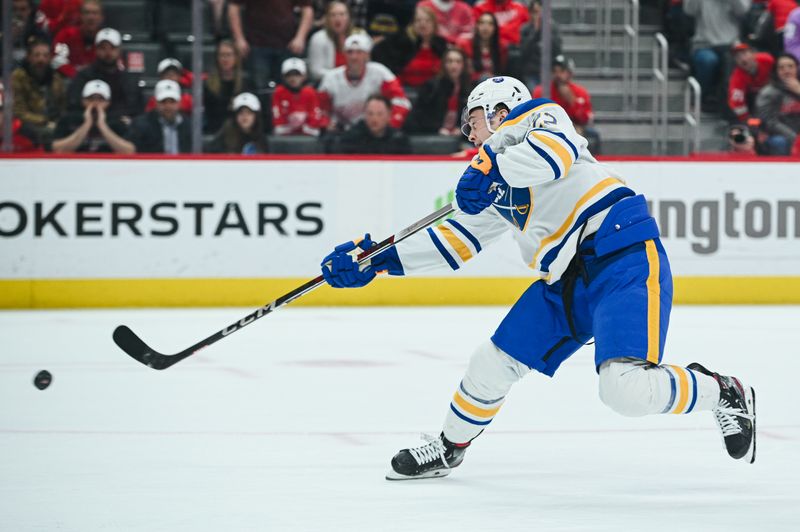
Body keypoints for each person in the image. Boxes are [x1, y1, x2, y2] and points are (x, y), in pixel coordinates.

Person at [317, 76, 757, 481]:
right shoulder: (496, 185)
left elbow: (551, 156)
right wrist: (376, 261)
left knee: (623, 391)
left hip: (622, 255)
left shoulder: (546, 120)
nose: (469, 136)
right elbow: (453, 242)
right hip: (565, 279)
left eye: (473, 122)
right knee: (491, 362)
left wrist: (489, 165)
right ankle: (450, 448)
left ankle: (723, 391)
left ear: (499, 110)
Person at [317, 33, 411, 131]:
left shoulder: (380, 73)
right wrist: (325, 122)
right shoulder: (331, 78)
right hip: (341, 132)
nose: (354, 57)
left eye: (359, 52)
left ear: (367, 55)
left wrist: (391, 123)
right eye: (350, 52)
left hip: (373, 132)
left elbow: (402, 102)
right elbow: (319, 108)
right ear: (344, 54)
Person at [682, 0, 751, 111]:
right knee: (708, 60)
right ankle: (701, 97)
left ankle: (729, 107)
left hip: (731, 43)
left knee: (736, 62)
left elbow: (742, 10)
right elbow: (689, 10)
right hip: (704, 43)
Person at [228, 0, 314, 87]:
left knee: (288, 88)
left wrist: (300, 37)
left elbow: (307, 9)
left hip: (287, 44)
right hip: (257, 44)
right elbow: (234, 7)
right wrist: (239, 38)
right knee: (259, 87)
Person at [66, 27, 144, 122]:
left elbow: (135, 108)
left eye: (112, 48)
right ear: (96, 50)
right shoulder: (83, 76)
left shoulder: (129, 80)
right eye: (103, 48)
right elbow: (74, 104)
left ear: (119, 50)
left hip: (120, 128)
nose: (108, 52)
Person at [533, 55, 600, 154]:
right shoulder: (541, 91)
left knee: (584, 133)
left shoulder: (580, 92)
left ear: (570, 73)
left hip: (573, 127)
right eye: (555, 71)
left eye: (562, 71)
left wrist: (571, 100)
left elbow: (585, 119)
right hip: (548, 127)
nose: (558, 75)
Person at [372, 5, 448, 87]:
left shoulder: (441, 44)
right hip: (404, 87)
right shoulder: (401, 41)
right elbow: (378, 54)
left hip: (433, 90)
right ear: (412, 24)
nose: (423, 24)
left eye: (427, 21)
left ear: (434, 24)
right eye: (418, 21)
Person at [11, 37, 68, 146]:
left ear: (50, 58)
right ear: (28, 57)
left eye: (45, 55)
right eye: (37, 55)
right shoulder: (18, 78)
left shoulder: (56, 79)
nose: (41, 59)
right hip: (26, 126)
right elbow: (18, 111)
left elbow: (63, 107)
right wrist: (44, 120)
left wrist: (59, 123)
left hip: (53, 124)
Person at [404, 46, 473, 135]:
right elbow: (419, 115)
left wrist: (462, 128)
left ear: (464, 65)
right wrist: (437, 128)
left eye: (458, 62)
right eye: (449, 61)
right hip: (433, 132)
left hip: (459, 135)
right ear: (443, 64)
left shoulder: (470, 88)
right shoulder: (431, 86)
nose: (454, 65)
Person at [51, 79, 133, 153]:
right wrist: (86, 124)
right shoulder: (68, 120)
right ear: (83, 101)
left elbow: (128, 151)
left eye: (101, 99)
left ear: (108, 102)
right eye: (91, 98)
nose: (95, 103)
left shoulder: (117, 122)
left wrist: (102, 125)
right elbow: (57, 149)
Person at [126, 80, 192, 154]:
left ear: (179, 103)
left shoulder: (189, 125)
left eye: (172, 101)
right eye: (163, 101)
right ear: (156, 102)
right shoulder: (141, 125)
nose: (168, 106)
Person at [329, 95, 411, 154]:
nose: (374, 118)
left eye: (379, 114)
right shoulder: (352, 138)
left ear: (389, 115)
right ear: (364, 114)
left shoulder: (398, 139)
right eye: (370, 113)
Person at [203, 40, 253, 134]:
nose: (225, 59)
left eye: (229, 55)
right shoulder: (208, 84)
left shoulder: (246, 82)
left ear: (236, 57)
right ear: (217, 58)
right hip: (215, 130)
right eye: (222, 55)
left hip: (240, 130)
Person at [307, 1, 363, 83]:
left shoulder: (360, 36)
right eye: (333, 15)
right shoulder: (318, 38)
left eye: (342, 14)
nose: (338, 18)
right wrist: (342, 77)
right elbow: (316, 72)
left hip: (357, 83)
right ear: (327, 19)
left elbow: (368, 66)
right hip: (328, 85)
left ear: (349, 17)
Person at [755, 52, 800, 155]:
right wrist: (794, 138)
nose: (787, 71)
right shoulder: (768, 92)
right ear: (776, 71)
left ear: (797, 69)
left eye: (790, 66)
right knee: (779, 142)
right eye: (782, 68)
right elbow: (770, 122)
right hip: (778, 135)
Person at [51, 0, 104, 78]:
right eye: (87, 13)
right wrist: (78, 75)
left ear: (101, 17)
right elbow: (57, 60)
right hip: (69, 82)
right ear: (80, 15)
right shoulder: (66, 35)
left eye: (95, 13)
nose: (91, 17)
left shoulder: (106, 39)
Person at [271, 58, 323, 137]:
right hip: (285, 130)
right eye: (289, 75)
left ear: (304, 76)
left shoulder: (310, 92)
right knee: (278, 130)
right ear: (284, 77)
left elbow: (315, 116)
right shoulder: (279, 92)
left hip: (307, 129)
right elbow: (278, 120)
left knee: (316, 132)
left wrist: (303, 124)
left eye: (297, 74)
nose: (293, 78)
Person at [518, 0, 562, 88]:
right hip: (531, 73)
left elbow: (557, 51)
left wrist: (546, 30)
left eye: (542, 12)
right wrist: (536, 32)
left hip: (549, 72)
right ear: (530, 13)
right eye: (535, 12)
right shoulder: (525, 29)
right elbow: (523, 52)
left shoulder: (553, 28)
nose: (539, 16)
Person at [728, 42, 775, 122]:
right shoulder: (737, 77)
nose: (743, 59)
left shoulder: (768, 60)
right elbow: (737, 105)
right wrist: (750, 122)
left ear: (754, 53)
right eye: (738, 57)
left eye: (744, 54)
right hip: (753, 102)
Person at [458, 12, 508, 82]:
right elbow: (466, 73)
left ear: (495, 28)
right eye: (482, 23)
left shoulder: (501, 47)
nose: (485, 27)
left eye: (490, 24)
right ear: (477, 26)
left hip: (495, 84)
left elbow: (503, 71)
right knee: (484, 78)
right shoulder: (466, 45)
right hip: (472, 84)